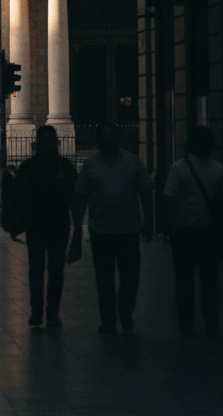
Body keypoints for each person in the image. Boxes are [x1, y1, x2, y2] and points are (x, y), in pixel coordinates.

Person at [69, 122, 154, 334]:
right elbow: (80, 197)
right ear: (98, 140)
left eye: (111, 135)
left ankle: (125, 312)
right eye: (104, 136)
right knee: (104, 278)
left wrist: (150, 220)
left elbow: (145, 192)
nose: (108, 140)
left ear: (118, 138)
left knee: (130, 276)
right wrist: (78, 227)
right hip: (101, 231)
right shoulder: (90, 165)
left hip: (129, 230)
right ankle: (108, 319)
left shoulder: (132, 161)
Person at [163, 125, 223, 338]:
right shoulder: (218, 168)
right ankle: (211, 322)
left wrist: (172, 228)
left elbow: (169, 200)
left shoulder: (178, 168)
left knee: (184, 280)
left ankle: (186, 323)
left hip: (184, 232)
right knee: (210, 280)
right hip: (209, 233)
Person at [16, 125, 78, 328]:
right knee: (36, 269)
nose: (47, 144)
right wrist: (16, 223)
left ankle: (52, 312)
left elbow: (75, 200)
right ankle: (36, 312)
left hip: (60, 225)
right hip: (35, 226)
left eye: (50, 140)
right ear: (37, 144)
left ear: (57, 143)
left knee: (56, 270)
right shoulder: (27, 168)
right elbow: (18, 200)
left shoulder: (67, 168)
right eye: (43, 140)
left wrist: (78, 230)